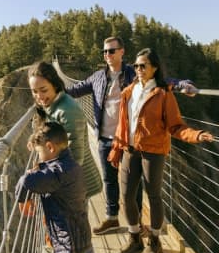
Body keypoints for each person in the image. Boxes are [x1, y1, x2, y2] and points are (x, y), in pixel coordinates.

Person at [66, 36, 198, 235]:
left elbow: (161, 82)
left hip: (129, 140)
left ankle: (134, 225)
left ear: (122, 52)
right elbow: (74, 91)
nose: (107, 55)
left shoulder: (134, 72)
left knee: (132, 186)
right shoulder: (97, 77)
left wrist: (182, 85)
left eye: (111, 51)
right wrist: (51, 93)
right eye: (104, 51)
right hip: (104, 137)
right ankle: (112, 218)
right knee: (109, 179)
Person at [107, 48, 213, 253]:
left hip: (153, 152)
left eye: (143, 65)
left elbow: (176, 126)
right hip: (129, 149)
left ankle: (154, 241)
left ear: (154, 68)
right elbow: (124, 123)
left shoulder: (164, 94)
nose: (138, 69)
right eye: (136, 65)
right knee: (127, 195)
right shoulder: (129, 91)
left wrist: (197, 135)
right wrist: (119, 145)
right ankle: (135, 236)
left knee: (154, 196)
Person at [28, 61, 102, 253]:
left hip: (74, 184)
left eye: (43, 90)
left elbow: (74, 158)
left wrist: (47, 181)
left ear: (55, 84)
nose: (39, 97)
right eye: (34, 92)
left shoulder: (66, 110)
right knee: (78, 238)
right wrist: (36, 139)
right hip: (71, 181)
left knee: (76, 241)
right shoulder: (54, 105)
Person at [16, 122, 92, 253]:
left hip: (69, 246)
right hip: (58, 241)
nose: (38, 157)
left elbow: (26, 181)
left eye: (39, 153)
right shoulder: (69, 164)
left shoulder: (58, 173)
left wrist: (23, 200)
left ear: (50, 147)